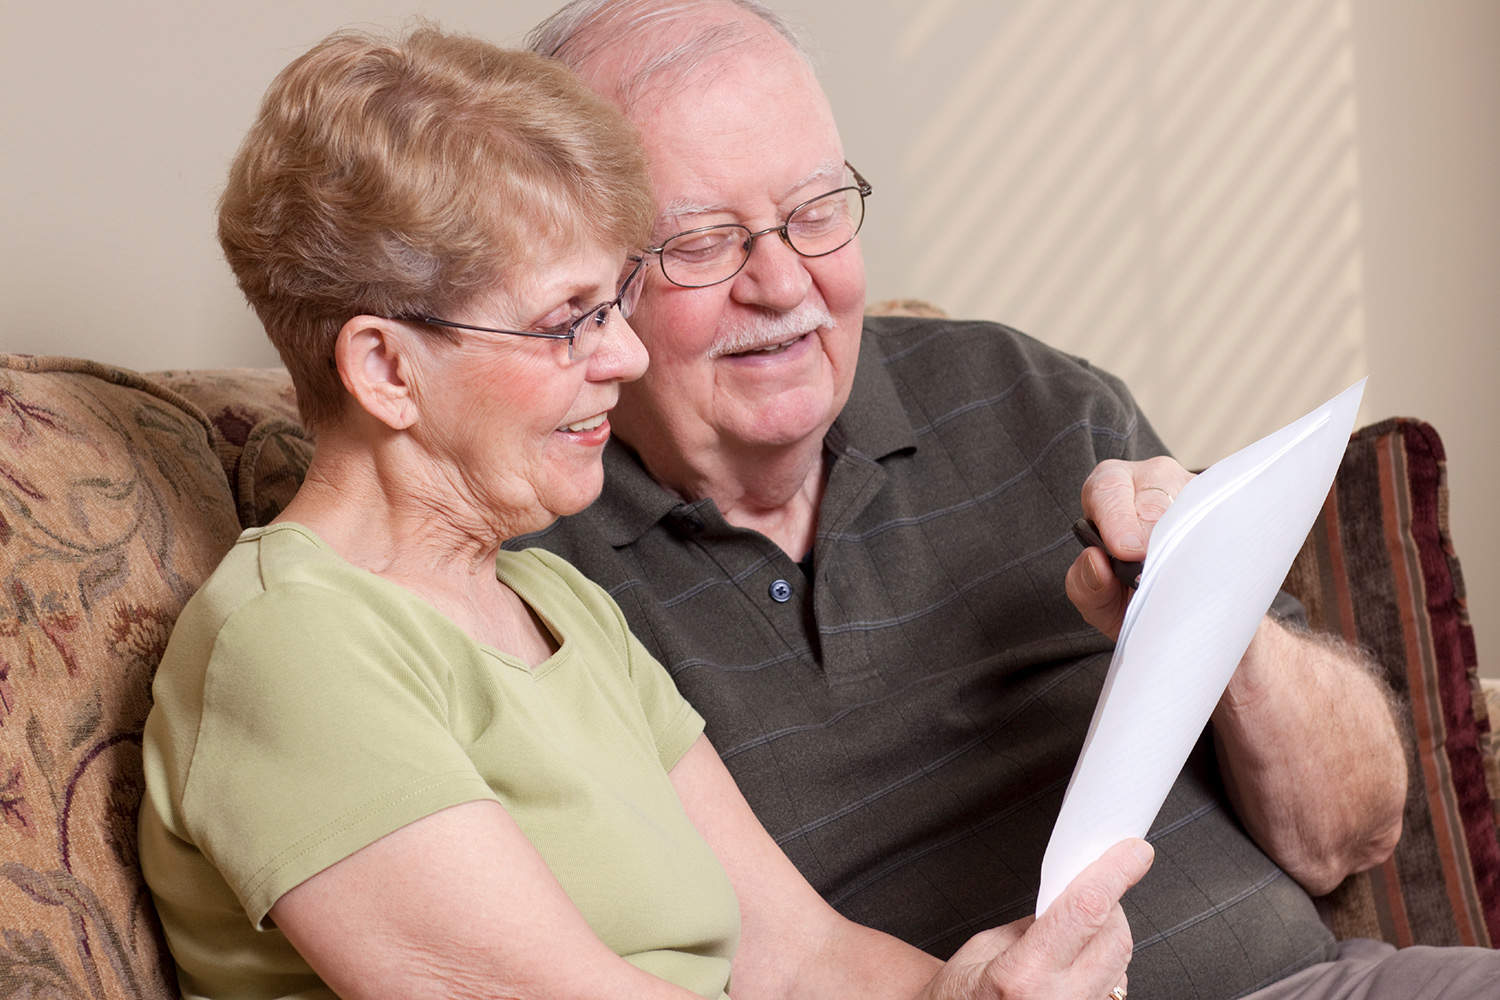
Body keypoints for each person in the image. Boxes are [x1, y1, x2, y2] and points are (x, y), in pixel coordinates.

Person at [138, 24, 1154, 1000]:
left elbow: (799, 961)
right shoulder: (293, 644)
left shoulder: (553, 599)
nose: (623, 357)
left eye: (615, 305)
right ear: (386, 368)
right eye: (567, 323)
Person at [513, 2, 1500, 998]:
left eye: (814, 211)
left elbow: (1352, 835)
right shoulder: (525, 561)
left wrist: (1216, 615)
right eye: (703, 241)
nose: (781, 281)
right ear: (587, 275)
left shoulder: (1019, 390)